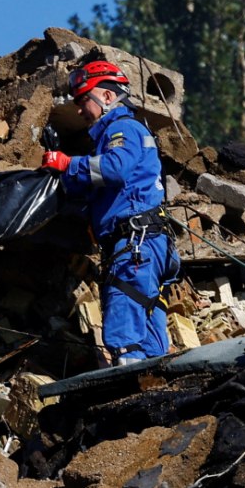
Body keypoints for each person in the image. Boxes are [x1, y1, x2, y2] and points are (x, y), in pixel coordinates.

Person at [40, 60, 181, 366]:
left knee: (125, 334)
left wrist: (66, 163)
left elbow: (115, 169)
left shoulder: (122, 128)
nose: (79, 110)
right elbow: (101, 185)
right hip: (148, 244)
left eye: (83, 100)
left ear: (106, 97)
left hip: (135, 245)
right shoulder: (119, 134)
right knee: (149, 331)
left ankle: (131, 392)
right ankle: (154, 385)